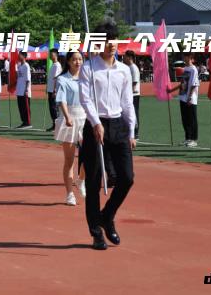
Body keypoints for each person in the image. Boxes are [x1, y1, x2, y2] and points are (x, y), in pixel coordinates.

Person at [79, 23, 136, 251]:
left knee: (127, 177)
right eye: (105, 40)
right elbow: (85, 98)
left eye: (114, 40)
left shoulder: (123, 70)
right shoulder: (89, 68)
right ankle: (96, 233)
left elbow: (127, 102)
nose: (111, 44)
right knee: (93, 183)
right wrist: (95, 123)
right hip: (95, 126)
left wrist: (131, 130)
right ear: (97, 44)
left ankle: (107, 214)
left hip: (118, 125)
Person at [54, 51, 87, 206]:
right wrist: (67, 117)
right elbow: (61, 100)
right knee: (69, 160)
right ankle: (69, 194)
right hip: (70, 118)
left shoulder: (86, 77)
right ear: (68, 62)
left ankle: (81, 180)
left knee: (89, 156)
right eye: (74, 59)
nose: (77, 62)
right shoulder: (62, 79)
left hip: (86, 117)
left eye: (80, 59)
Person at [168, 53, 200, 147]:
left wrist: (189, 97)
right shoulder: (185, 68)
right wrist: (171, 90)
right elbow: (182, 83)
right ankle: (188, 138)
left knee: (192, 119)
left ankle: (194, 139)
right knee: (185, 119)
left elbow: (194, 84)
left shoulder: (193, 69)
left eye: (186, 56)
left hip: (190, 99)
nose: (184, 58)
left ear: (190, 57)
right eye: (183, 56)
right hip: (182, 97)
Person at [123, 51, 141, 139]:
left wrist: (128, 91)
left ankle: (136, 133)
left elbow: (134, 82)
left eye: (125, 56)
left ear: (130, 57)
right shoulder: (128, 67)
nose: (123, 58)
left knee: (134, 113)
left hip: (134, 95)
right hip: (130, 94)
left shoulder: (133, 68)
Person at [46, 48, 62, 132]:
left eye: (52, 54)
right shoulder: (53, 65)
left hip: (53, 91)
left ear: (56, 55)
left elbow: (56, 78)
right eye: (50, 54)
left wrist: (55, 90)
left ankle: (57, 126)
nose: (50, 55)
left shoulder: (57, 65)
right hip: (50, 89)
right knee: (52, 108)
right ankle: (54, 124)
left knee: (54, 108)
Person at [16, 51, 32, 129]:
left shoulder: (26, 66)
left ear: (24, 56)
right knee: (21, 107)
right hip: (19, 90)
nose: (19, 56)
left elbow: (28, 79)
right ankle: (23, 122)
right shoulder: (19, 65)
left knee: (26, 107)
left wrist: (26, 89)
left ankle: (28, 123)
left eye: (20, 55)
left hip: (24, 90)